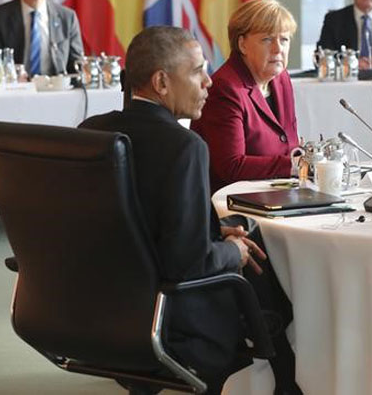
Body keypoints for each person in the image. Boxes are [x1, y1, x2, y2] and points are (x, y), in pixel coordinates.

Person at [80, 26, 301, 395]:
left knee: (236, 229)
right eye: (198, 71)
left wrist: (213, 231)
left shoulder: (91, 132)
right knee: (255, 250)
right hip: (175, 318)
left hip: (99, 310)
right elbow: (188, 265)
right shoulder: (185, 147)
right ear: (162, 82)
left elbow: (131, 223)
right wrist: (232, 250)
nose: (209, 83)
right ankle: (287, 376)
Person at [192, 0, 300, 191]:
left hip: (279, 192)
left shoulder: (281, 78)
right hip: (235, 203)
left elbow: (289, 144)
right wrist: (296, 166)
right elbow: (231, 166)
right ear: (242, 44)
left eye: (284, 39)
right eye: (267, 39)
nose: (278, 49)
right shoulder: (225, 88)